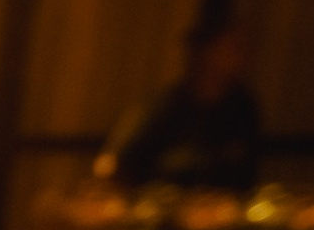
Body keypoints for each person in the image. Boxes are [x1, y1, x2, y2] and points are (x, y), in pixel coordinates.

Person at [102, 16, 263, 192]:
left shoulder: (242, 107)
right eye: (232, 48)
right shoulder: (164, 106)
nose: (243, 57)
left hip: (220, 212)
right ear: (205, 52)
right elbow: (115, 162)